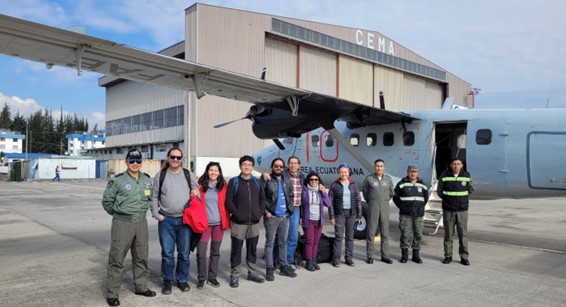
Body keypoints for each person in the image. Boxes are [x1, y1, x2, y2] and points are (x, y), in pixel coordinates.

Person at [101, 149, 156, 306]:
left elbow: (150, 198)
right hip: (122, 223)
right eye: (131, 161)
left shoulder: (146, 180)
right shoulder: (117, 180)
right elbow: (107, 202)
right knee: (117, 258)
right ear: (126, 162)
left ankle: (141, 286)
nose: (135, 164)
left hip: (141, 223)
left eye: (138, 161)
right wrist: (119, 214)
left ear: (141, 162)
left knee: (141, 256)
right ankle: (112, 293)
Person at [150, 148, 199, 295]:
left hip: (184, 220)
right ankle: (167, 281)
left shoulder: (187, 174)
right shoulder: (161, 175)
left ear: (182, 159)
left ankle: (182, 280)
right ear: (168, 157)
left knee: (184, 254)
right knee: (167, 254)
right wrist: (156, 214)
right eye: (173, 157)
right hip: (166, 220)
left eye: (178, 158)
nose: (175, 160)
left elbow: (197, 191)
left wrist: (195, 193)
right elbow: (154, 196)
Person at [225, 155, 267, 288]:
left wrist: (259, 213)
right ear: (240, 166)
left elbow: (262, 200)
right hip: (238, 223)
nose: (247, 167)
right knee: (236, 249)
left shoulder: (257, 182)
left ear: (253, 167)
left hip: (254, 223)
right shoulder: (234, 182)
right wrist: (237, 214)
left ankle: (252, 273)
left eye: (249, 164)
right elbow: (228, 201)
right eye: (244, 164)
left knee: (252, 248)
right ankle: (235, 275)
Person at [261, 158, 296, 281]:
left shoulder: (286, 179)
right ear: (272, 167)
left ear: (283, 168)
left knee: (283, 242)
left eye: (281, 166)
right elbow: (261, 197)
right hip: (272, 217)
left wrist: (289, 211)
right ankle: (269, 268)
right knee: (270, 243)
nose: (278, 168)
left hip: (284, 217)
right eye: (276, 166)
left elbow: (291, 195)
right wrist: (266, 212)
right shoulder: (267, 179)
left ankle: (283, 265)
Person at [195, 162, 230, 289]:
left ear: (219, 172)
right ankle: (201, 277)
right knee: (201, 253)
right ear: (207, 171)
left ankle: (212, 277)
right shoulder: (200, 186)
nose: (213, 172)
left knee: (215, 252)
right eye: (211, 170)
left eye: (216, 170)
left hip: (218, 225)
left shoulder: (224, 186)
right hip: (204, 224)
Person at [437, 158, 474, 266]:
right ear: (450, 165)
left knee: (463, 235)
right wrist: (448, 200)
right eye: (454, 164)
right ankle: (448, 256)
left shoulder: (466, 176)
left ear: (462, 165)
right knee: (448, 235)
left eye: (458, 164)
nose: (456, 166)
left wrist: (464, 200)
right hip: (448, 210)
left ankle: (464, 257)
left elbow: (471, 190)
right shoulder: (444, 176)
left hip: (462, 210)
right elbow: (439, 191)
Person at [393, 165, 429, 264]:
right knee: (405, 234)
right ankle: (404, 256)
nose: (413, 174)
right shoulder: (401, 184)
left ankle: (415, 255)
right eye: (411, 172)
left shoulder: (423, 185)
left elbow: (425, 199)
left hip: (418, 214)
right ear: (407, 172)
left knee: (418, 234)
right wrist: (403, 207)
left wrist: (419, 207)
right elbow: (395, 197)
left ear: (418, 173)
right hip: (405, 214)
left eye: (415, 172)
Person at [328, 163, 362, 267]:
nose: (343, 174)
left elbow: (358, 200)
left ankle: (349, 258)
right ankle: (336, 259)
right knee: (338, 237)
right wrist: (332, 216)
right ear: (339, 172)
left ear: (349, 172)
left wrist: (359, 215)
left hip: (351, 214)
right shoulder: (334, 185)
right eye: (342, 172)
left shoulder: (353, 184)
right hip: (339, 213)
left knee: (350, 237)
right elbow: (330, 202)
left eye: (345, 172)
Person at [362, 159, 395, 264]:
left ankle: (385, 256)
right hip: (373, 206)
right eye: (377, 166)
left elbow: (391, 193)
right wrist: (373, 201)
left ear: (384, 167)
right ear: (374, 167)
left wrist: (383, 201)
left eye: (381, 166)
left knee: (385, 233)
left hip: (384, 207)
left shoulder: (388, 180)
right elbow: (365, 193)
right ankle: (370, 256)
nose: (379, 168)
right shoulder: (369, 179)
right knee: (371, 232)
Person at [300, 171, 332, 271]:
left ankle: (314, 260)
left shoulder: (320, 191)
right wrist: (301, 217)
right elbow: (300, 205)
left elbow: (328, 204)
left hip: (319, 220)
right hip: (308, 219)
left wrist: (324, 193)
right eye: (312, 179)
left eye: (316, 180)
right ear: (308, 181)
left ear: (319, 181)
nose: (314, 181)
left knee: (316, 242)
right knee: (310, 241)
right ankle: (308, 261)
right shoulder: (304, 191)